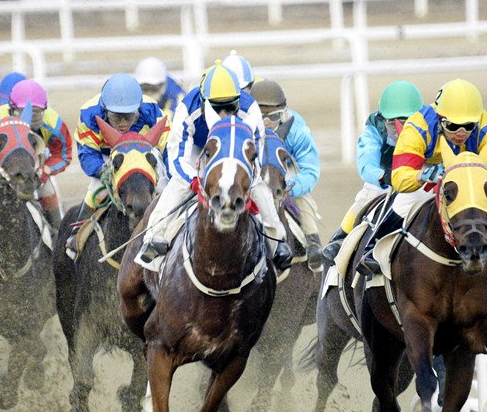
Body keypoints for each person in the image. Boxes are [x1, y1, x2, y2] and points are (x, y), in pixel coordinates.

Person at [356, 78, 487, 283]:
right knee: (405, 200)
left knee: (483, 205)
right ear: (440, 117)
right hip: (427, 173)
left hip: (469, 179)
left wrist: (475, 181)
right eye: (453, 125)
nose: (461, 133)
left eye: (468, 126)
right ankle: (372, 248)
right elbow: (399, 177)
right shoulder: (418, 126)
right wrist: (421, 176)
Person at [138, 60, 293, 271]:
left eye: (230, 107)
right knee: (177, 185)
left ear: (239, 99)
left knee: (258, 187)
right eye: (217, 108)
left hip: (233, 148)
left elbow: (255, 155)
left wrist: (245, 179)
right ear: (203, 102)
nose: (224, 114)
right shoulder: (187, 108)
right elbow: (177, 157)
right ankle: (154, 237)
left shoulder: (250, 108)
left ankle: (277, 242)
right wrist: (195, 180)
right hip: (199, 148)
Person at [320, 80, 423, 264]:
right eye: (392, 123)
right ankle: (340, 238)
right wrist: (383, 176)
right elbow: (366, 164)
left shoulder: (429, 126)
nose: (399, 131)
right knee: (365, 198)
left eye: (406, 123)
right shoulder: (374, 130)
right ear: (383, 118)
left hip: (417, 179)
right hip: (384, 182)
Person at [68, 73, 170, 252]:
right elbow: (88, 153)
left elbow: (168, 148)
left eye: (129, 117)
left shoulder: (152, 110)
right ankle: (77, 235)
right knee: (96, 188)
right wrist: (101, 171)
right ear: (105, 110)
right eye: (116, 118)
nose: (123, 123)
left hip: (142, 158)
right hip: (108, 158)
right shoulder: (89, 113)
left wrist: (169, 174)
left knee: (165, 187)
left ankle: (170, 230)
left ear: (138, 110)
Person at [0, 78, 72, 231]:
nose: (29, 118)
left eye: (36, 113)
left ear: (45, 110)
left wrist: (45, 170)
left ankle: (56, 232)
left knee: (47, 190)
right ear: (11, 109)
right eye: (24, 113)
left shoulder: (54, 124)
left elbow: (64, 154)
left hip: (35, 164)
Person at [249, 79, 323, 271]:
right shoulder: (243, 126)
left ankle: (312, 240)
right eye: (261, 117)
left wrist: (291, 188)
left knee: (303, 197)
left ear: (283, 113)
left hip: (283, 173)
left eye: (273, 117)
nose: (266, 123)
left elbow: (310, 170)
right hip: (252, 173)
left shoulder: (296, 128)